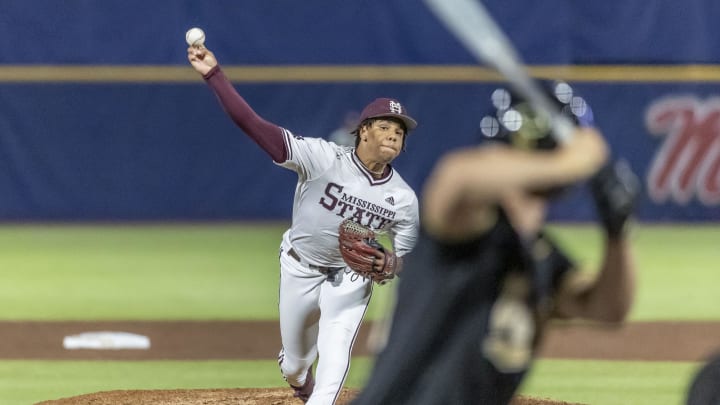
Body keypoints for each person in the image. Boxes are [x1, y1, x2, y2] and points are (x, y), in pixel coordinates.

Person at [351, 83, 640, 405]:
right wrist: (572, 161)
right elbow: (458, 177)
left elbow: (608, 309)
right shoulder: (463, 232)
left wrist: (619, 234)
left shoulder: (539, 254)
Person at [187, 44, 420, 404]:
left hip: (350, 276)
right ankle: (298, 377)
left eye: (400, 131)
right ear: (363, 132)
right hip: (300, 266)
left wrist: (392, 263)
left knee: (337, 345)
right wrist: (214, 75)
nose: (393, 134)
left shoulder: (403, 199)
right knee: (296, 364)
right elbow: (255, 126)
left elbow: (416, 262)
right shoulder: (322, 158)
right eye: (385, 126)